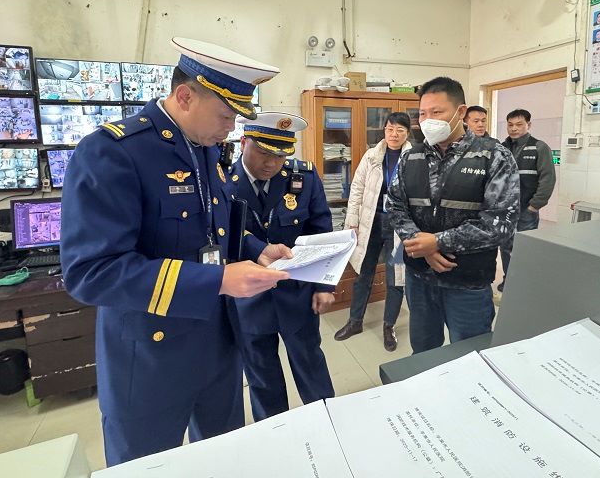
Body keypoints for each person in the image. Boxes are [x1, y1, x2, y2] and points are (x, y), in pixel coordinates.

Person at [61, 37, 292, 466]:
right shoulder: (114, 151)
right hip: (150, 354)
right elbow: (91, 272)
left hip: (217, 343)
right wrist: (218, 279)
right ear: (185, 97)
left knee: (223, 461)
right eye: (226, 115)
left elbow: (212, 226)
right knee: (148, 466)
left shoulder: (204, 147)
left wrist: (257, 249)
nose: (232, 128)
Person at [387, 77, 519, 354]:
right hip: (419, 278)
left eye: (437, 112)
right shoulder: (411, 157)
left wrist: (438, 242)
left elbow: (500, 223)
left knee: (469, 356)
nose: (427, 120)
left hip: (467, 281)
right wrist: (421, 244)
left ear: (461, 112)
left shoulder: (494, 156)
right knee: (423, 353)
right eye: (423, 113)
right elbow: (395, 206)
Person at [230, 112, 335, 421]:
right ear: (244, 142)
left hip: (297, 294)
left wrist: (324, 285)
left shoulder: (303, 177)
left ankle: (328, 423)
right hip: (248, 299)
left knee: (311, 365)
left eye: (280, 155)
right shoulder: (222, 181)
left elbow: (321, 233)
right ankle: (275, 431)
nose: (272, 163)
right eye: (264, 152)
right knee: (262, 376)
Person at [334, 112, 412, 351]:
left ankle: (389, 326)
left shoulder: (414, 158)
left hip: (398, 226)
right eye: (390, 129)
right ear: (384, 130)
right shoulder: (372, 156)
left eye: (400, 130)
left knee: (395, 277)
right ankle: (355, 321)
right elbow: (357, 188)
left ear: (408, 133)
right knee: (363, 273)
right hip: (372, 223)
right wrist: (352, 221)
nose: (394, 134)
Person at [499, 109, 556, 293]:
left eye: (519, 124)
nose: (514, 128)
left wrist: (535, 205)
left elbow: (548, 179)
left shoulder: (539, 147)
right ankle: (509, 280)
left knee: (525, 247)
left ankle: (525, 283)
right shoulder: (501, 148)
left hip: (527, 208)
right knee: (505, 246)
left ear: (528, 125)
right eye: (510, 125)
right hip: (505, 209)